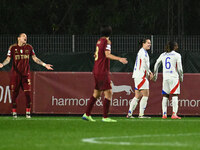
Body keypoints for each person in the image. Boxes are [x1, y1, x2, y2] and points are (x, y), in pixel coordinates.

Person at [0, 33, 53, 118]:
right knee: (14, 94)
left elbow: (35, 58)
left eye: (26, 37)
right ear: (18, 38)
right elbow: (8, 59)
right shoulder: (12, 48)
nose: (25, 38)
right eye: (23, 36)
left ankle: (28, 113)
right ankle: (14, 113)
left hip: (26, 75)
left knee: (28, 94)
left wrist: (44, 64)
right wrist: (2, 64)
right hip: (15, 75)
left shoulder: (29, 47)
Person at [82, 25, 128, 122]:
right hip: (102, 70)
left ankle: (86, 114)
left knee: (97, 94)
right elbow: (107, 54)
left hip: (96, 69)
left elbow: (96, 54)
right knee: (109, 93)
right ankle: (105, 117)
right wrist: (119, 58)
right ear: (110, 33)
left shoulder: (99, 41)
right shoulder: (107, 41)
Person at [153, 41, 183, 119]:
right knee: (175, 95)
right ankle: (174, 114)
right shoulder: (177, 55)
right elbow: (180, 68)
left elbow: (156, 64)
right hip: (174, 77)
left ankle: (164, 114)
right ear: (174, 47)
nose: (178, 47)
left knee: (165, 95)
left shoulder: (163, 55)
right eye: (177, 45)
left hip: (165, 77)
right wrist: (181, 77)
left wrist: (155, 75)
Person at [127, 38, 153, 118]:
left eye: (150, 43)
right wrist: (150, 72)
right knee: (146, 94)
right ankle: (141, 114)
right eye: (148, 43)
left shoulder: (142, 52)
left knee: (137, 95)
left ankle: (129, 113)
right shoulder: (143, 52)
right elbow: (144, 64)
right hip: (141, 76)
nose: (150, 44)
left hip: (137, 76)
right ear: (143, 43)